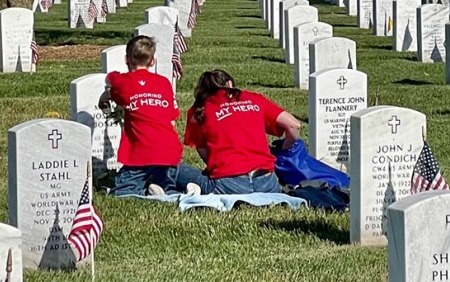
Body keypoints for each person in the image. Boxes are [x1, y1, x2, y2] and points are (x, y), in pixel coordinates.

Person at [100, 34, 206, 197]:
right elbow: (172, 118)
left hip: (139, 153)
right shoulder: (163, 83)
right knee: (166, 183)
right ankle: (176, 192)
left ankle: (150, 193)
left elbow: (111, 82)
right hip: (169, 151)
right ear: (152, 61)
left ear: (126, 59)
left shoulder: (122, 83)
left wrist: (105, 97)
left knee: (123, 192)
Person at [183, 69, 301, 194]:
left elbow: (204, 152)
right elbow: (294, 125)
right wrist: (285, 149)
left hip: (228, 185)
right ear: (229, 84)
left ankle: (195, 188)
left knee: (178, 169)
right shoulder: (255, 99)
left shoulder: (198, 110)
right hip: (267, 183)